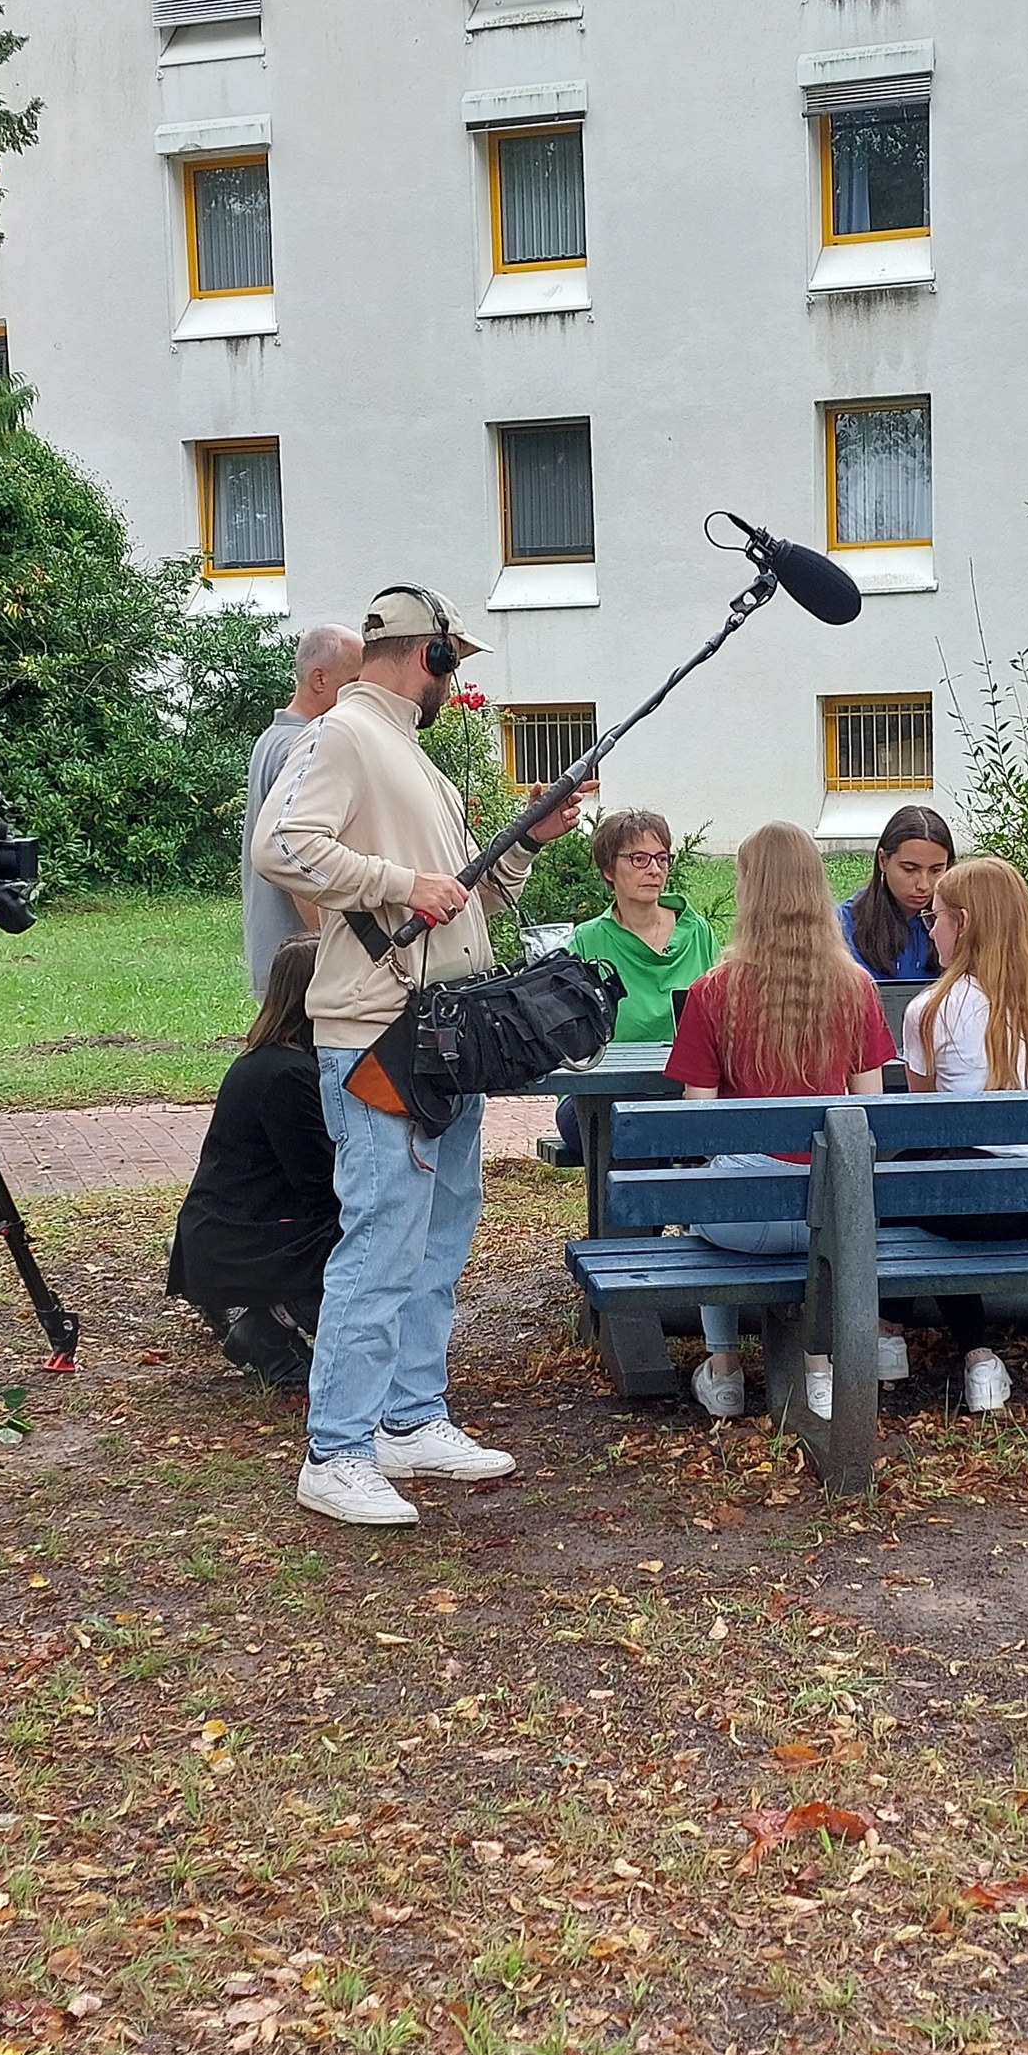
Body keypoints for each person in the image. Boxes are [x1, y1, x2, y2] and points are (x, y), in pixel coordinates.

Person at [253, 584, 582, 1528]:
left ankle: (408, 1418)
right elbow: (283, 844)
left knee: (437, 1236)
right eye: (455, 661)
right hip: (377, 1036)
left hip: (446, 1036)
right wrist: (401, 884)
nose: (457, 680)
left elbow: (461, 895)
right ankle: (337, 1449)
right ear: (426, 655)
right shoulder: (347, 735)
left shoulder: (413, 760)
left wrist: (524, 842)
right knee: (383, 1240)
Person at [665, 823, 899, 1421]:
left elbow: (699, 1121)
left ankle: (723, 1372)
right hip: (835, 1218)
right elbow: (865, 1115)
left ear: (749, 890)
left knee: (706, 1188)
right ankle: (818, 1369)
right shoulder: (855, 988)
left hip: (745, 1220)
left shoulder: (712, 992)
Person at [902, 857, 1028, 1413]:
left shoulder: (931, 1008)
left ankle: (964, 1347)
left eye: (934, 918)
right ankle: (940, 1346)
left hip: (975, 1205)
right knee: (934, 1168)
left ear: (961, 923)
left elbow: (926, 1118)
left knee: (903, 1169)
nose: (930, 929)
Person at [166, 936, 335, 1389]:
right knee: (376, 1233)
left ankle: (268, 1315)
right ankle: (270, 1322)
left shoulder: (268, 1060)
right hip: (242, 1241)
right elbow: (322, 1183)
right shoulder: (290, 1076)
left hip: (226, 1233)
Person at [553, 809, 717, 1154]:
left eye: (661, 858)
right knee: (623, 1122)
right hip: (603, 1093)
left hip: (685, 1088)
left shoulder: (697, 931)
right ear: (608, 870)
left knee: (672, 1122)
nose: (654, 870)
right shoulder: (586, 942)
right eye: (639, 859)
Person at [240, 623, 364, 996]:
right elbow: (299, 863)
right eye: (354, 681)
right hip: (304, 966)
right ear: (320, 679)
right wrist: (332, 951)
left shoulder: (273, 738)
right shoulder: (301, 747)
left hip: (284, 960)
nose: (362, 693)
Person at [841, 805, 956, 980]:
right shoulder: (844, 925)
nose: (923, 885)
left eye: (936, 870)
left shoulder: (962, 923)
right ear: (883, 860)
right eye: (910, 869)